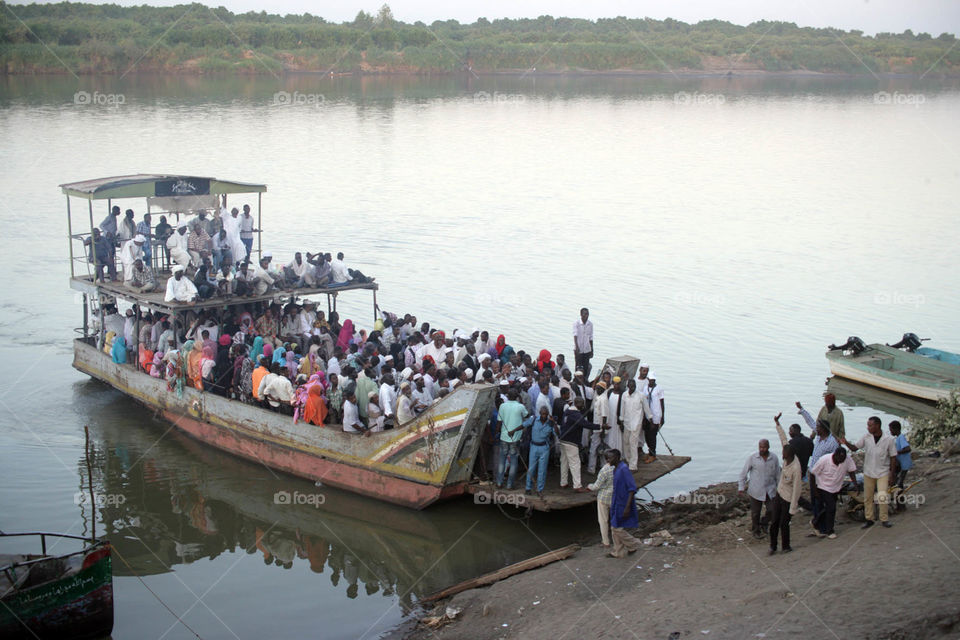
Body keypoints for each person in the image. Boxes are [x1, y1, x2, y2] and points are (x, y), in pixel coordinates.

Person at [842, 416, 897, 529]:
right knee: (868, 497)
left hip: (883, 472)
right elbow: (854, 448)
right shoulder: (866, 437)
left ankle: (884, 519)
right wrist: (845, 442)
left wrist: (892, 474)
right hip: (868, 472)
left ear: (877, 425)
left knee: (882, 496)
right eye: (868, 425)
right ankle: (869, 519)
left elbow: (893, 457)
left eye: (870, 425)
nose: (868, 428)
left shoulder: (889, 439)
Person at [809, 447, 857, 538]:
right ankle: (830, 531)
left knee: (829, 508)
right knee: (832, 507)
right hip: (823, 486)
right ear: (835, 455)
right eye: (839, 460)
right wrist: (815, 491)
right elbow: (812, 474)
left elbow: (851, 471)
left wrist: (855, 484)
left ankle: (815, 522)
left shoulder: (847, 460)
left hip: (836, 487)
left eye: (843, 460)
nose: (841, 462)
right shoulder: (824, 460)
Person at [557, 397, 602, 492]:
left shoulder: (567, 411)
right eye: (582, 404)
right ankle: (577, 485)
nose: (583, 406)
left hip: (562, 440)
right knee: (575, 464)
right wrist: (600, 426)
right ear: (579, 404)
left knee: (564, 462)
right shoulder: (576, 415)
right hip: (571, 442)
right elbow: (586, 424)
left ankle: (563, 482)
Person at [738, 439, 780, 539]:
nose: (762, 449)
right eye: (760, 447)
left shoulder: (774, 458)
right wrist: (741, 487)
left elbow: (778, 474)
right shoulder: (753, 458)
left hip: (770, 490)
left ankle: (764, 523)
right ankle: (756, 530)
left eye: (764, 447)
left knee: (772, 510)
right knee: (755, 512)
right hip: (756, 490)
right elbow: (744, 473)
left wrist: (780, 487)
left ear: (768, 447)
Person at [768, 444, 802, 555]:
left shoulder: (796, 468)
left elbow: (797, 489)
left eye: (785, 455)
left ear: (791, 456)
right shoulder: (787, 460)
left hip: (788, 498)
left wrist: (793, 508)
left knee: (784, 523)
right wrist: (778, 426)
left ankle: (786, 546)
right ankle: (773, 546)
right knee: (774, 522)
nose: (783, 456)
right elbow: (783, 440)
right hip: (779, 493)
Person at [608, 449, 642, 558]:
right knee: (614, 526)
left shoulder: (624, 469)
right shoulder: (616, 469)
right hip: (617, 501)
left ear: (617, 457)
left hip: (623, 502)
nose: (608, 460)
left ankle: (633, 543)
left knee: (616, 528)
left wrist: (627, 507)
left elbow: (632, 488)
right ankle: (618, 551)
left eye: (610, 458)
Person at [496, 389, 530, 490]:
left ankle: (499, 482)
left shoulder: (502, 406)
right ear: (517, 396)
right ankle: (509, 485)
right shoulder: (520, 406)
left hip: (504, 437)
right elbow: (527, 415)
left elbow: (499, 422)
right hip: (515, 438)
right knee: (514, 461)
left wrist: (497, 432)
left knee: (502, 460)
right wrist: (520, 399)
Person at [621, 378, 652, 470]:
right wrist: (621, 419)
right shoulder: (624, 395)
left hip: (636, 422)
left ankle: (633, 466)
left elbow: (646, 408)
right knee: (626, 441)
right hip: (627, 422)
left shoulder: (640, 395)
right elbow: (622, 408)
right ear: (628, 386)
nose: (632, 388)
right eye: (630, 386)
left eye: (634, 386)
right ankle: (628, 459)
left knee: (633, 443)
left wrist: (649, 418)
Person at [588, 449, 616, 548]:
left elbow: (596, 486)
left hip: (603, 498)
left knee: (603, 521)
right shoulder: (621, 468)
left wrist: (589, 486)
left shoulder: (605, 470)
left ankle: (606, 542)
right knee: (614, 521)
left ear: (606, 459)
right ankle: (616, 541)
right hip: (614, 497)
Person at [524, 406, 554, 497]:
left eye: (545, 414)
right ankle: (528, 488)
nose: (544, 416)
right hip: (534, 446)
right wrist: (513, 431)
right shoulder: (533, 420)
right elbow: (523, 425)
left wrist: (554, 423)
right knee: (531, 468)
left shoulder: (550, 423)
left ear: (547, 414)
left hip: (544, 448)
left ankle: (539, 489)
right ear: (540, 413)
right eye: (542, 414)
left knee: (542, 470)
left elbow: (558, 434)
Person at [643, 372, 664, 463]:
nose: (651, 382)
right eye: (650, 380)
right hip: (647, 414)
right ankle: (650, 451)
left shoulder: (659, 389)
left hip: (656, 414)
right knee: (646, 435)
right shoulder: (645, 388)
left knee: (652, 435)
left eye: (653, 380)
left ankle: (653, 454)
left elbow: (662, 403)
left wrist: (662, 417)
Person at [890, 420, 912, 489]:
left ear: (895, 429)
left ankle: (900, 493)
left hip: (904, 463)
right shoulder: (898, 438)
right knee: (898, 479)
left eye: (891, 430)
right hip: (902, 464)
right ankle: (899, 491)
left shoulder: (901, 437)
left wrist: (896, 452)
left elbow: (908, 449)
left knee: (900, 481)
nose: (890, 432)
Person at [573, 307, 594, 379]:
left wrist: (592, 350)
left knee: (585, 366)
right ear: (581, 314)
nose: (586, 316)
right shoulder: (577, 323)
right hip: (579, 349)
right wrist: (577, 347)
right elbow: (575, 335)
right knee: (578, 366)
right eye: (585, 314)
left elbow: (591, 338)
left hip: (587, 349)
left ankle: (584, 380)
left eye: (587, 314)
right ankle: (576, 380)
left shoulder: (590, 324)